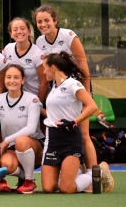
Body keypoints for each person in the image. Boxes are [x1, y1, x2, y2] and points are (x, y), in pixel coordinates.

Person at [32, 5, 113, 190]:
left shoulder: (68, 35)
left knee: (83, 134)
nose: (43, 24)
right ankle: (74, 174)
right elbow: (44, 68)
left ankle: (96, 175)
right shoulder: (39, 40)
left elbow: (83, 63)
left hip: (76, 87)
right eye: (39, 21)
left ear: (55, 20)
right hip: (57, 88)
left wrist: (86, 91)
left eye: (47, 20)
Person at [0, 64, 45, 194]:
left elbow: (31, 128)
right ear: (4, 80)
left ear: (23, 80)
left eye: (16, 77)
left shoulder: (32, 99)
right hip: (12, 147)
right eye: (8, 77)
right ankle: (23, 177)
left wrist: (7, 140)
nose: (12, 81)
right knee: (6, 165)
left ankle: (29, 181)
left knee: (21, 140)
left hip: (34, 146)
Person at [40, 52, 100, 194]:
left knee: (67, 189)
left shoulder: (73, 84)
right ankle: (76, 174)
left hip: (70, 138)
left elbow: (92, 106)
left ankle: (99, 172)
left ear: (53, 68)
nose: (43, 72)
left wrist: (74, 121)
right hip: (52, 139)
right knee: (48, 188)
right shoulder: (53, 86)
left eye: (44, 68)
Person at [2, 17, 48, 104]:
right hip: (13, 100)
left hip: (33, 100)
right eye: (15, 29)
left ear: (29, 31)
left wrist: (38, 105)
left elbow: (44, 83)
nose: (19, 32)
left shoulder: (38, 54)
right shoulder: (8, 49)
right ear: (11, 34)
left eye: (22, 28)